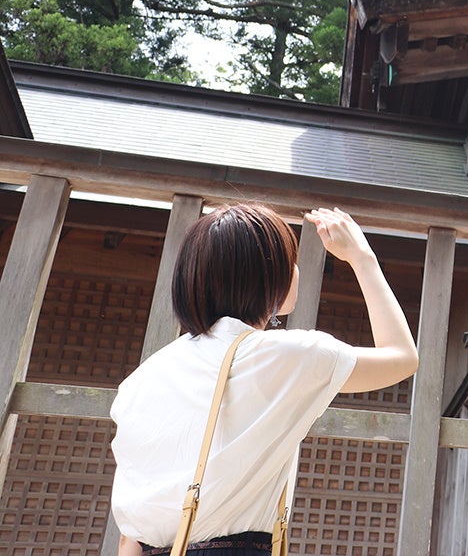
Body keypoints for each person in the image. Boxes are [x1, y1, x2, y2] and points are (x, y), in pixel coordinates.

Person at [110, 204, 419, 556]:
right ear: (267, 277)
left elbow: (129, 536)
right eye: (290, 260)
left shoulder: (143, 378)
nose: (297, 270)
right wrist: (362, 258)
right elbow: (402, 358)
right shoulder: (287, 355)